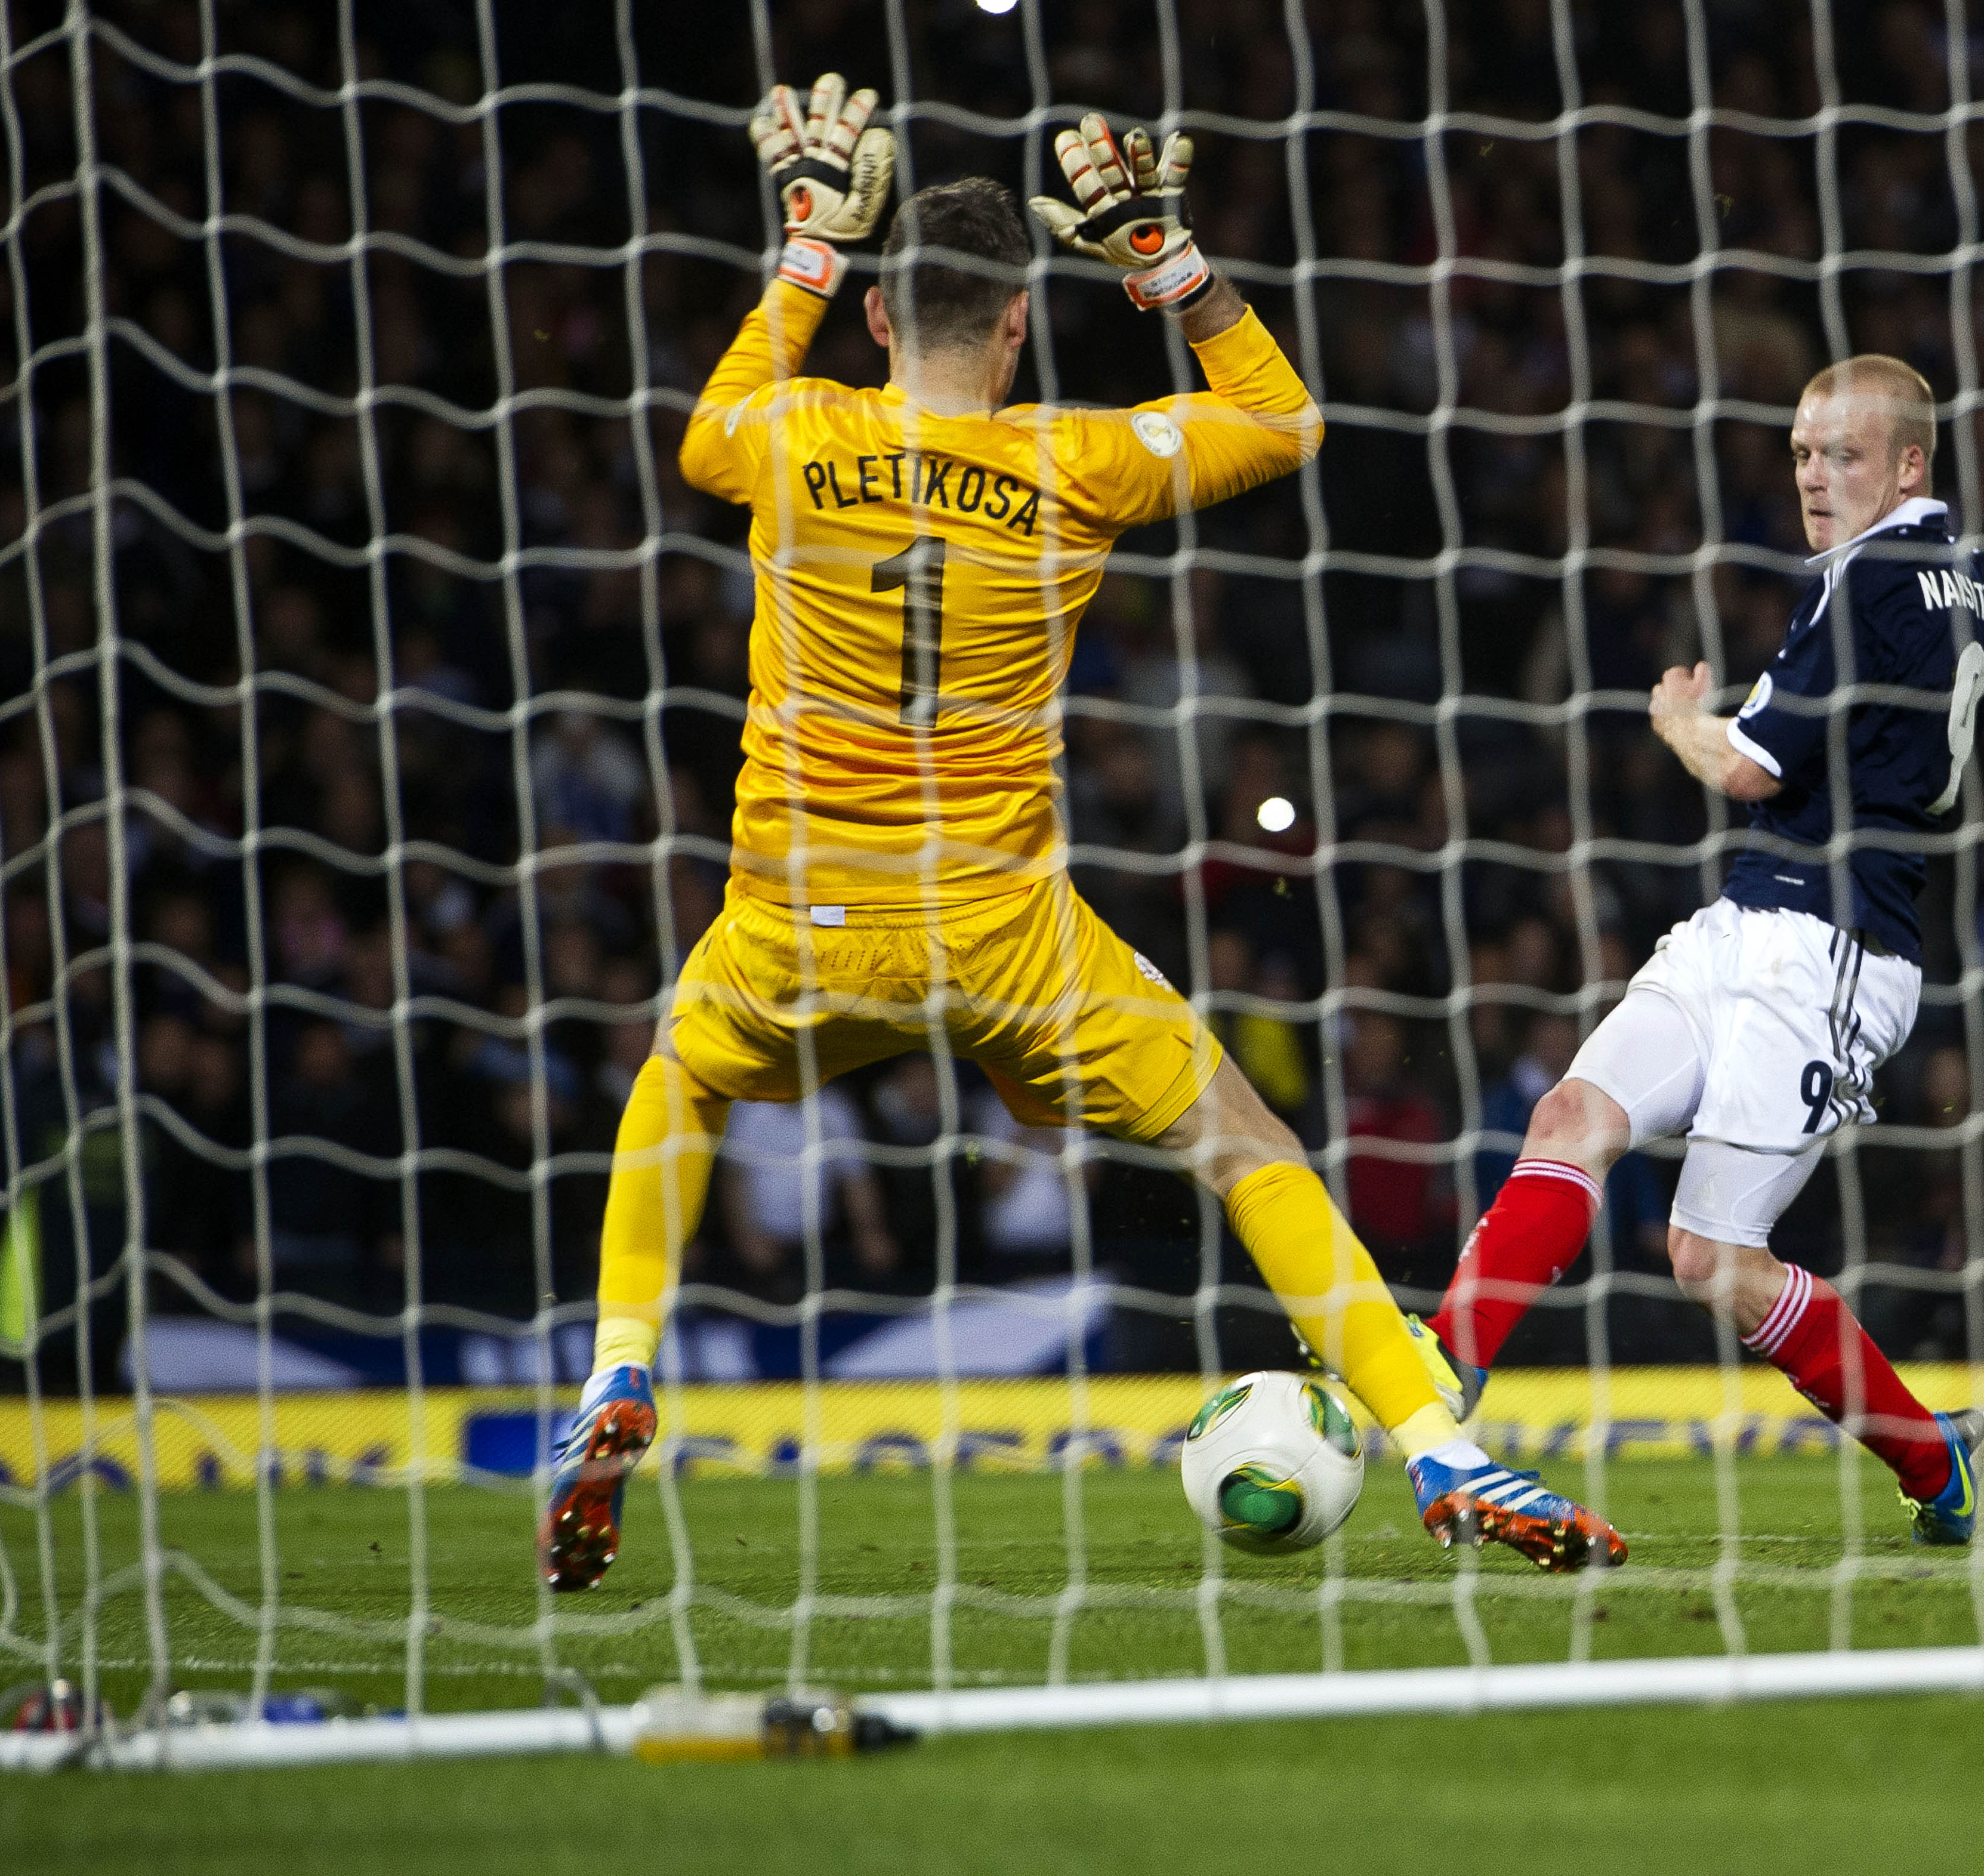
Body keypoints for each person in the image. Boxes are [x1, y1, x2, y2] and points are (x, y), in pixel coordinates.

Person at [540, 78, 1619, 1592]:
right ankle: (1443, 1449)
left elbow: (706, 431)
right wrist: (1164, 262)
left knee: (682, 1078)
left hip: (802, 916)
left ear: (874, 322)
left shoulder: (784, 436)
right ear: (1018, 327)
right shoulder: (1072, 462)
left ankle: (618, 1370)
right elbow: (1284, 422)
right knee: (1244, 1145)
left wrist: (804, 244)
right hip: (1004, 933)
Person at [1430, 356, 1984, 1545]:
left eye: (1839, 454)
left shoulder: (1866, 583)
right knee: (1569, 1120)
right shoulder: (1980, 587)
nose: (1810, 476)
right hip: (1744, 919)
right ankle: (1436, 1392)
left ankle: (1932, 1458)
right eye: (1800, 453)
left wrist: (1678, 723)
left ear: (1907, 464)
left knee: (1708, 1258)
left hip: (1836, 952)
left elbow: (1747, 769)